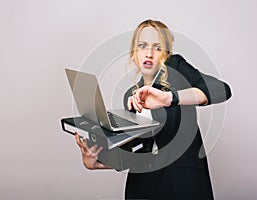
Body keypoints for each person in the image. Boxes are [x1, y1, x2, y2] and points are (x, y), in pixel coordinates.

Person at [75, 19, 231, 200]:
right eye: (142, 46)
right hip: (142, 186)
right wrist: (95, 162)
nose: (149, 53)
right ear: (134, 53)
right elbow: (135, 152)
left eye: (157, 48)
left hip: (182, 183)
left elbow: (221, 90)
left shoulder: (176, 69)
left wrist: (170, 98)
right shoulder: (130, 96)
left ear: (166, 53)